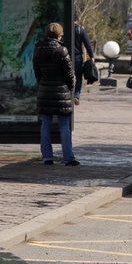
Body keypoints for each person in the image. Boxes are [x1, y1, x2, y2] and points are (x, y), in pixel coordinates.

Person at [33, 22, 79, 166]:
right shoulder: (62, 50)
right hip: (61, 91)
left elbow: (37, 71)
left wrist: (42, 83)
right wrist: (70, 88)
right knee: (64, 125)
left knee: (45, 124)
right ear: (59, 36)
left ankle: (47, 157)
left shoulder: (38, 49)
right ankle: (68, 157)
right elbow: (70, 73)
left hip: (45, 90)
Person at [73, 21, 95, 101]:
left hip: (66, 55)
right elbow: (87, 44)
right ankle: (76, 95)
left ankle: (68, 93)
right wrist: (91, 56)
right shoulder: (80, 30)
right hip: (77, 56)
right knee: (79, 77)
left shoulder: (65, 28)